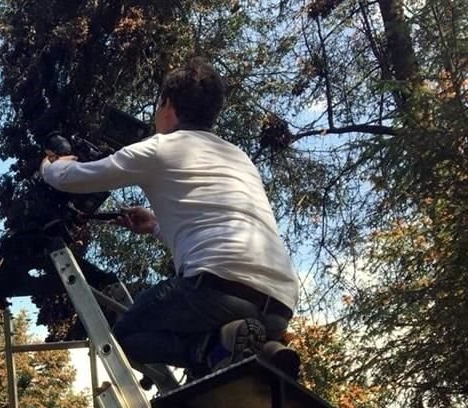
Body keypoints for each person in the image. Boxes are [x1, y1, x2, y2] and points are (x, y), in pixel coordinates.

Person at [40, 57, 300, 378]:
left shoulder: (160, 148)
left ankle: (209, 349)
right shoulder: (239, 157)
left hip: (216, 291)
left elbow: (70, 178)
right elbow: (214, 222)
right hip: (280, 307)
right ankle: (250, 347)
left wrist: (52, 162)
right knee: (214, 356)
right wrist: (155, 226)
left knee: (125, 337)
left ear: (167, 104)